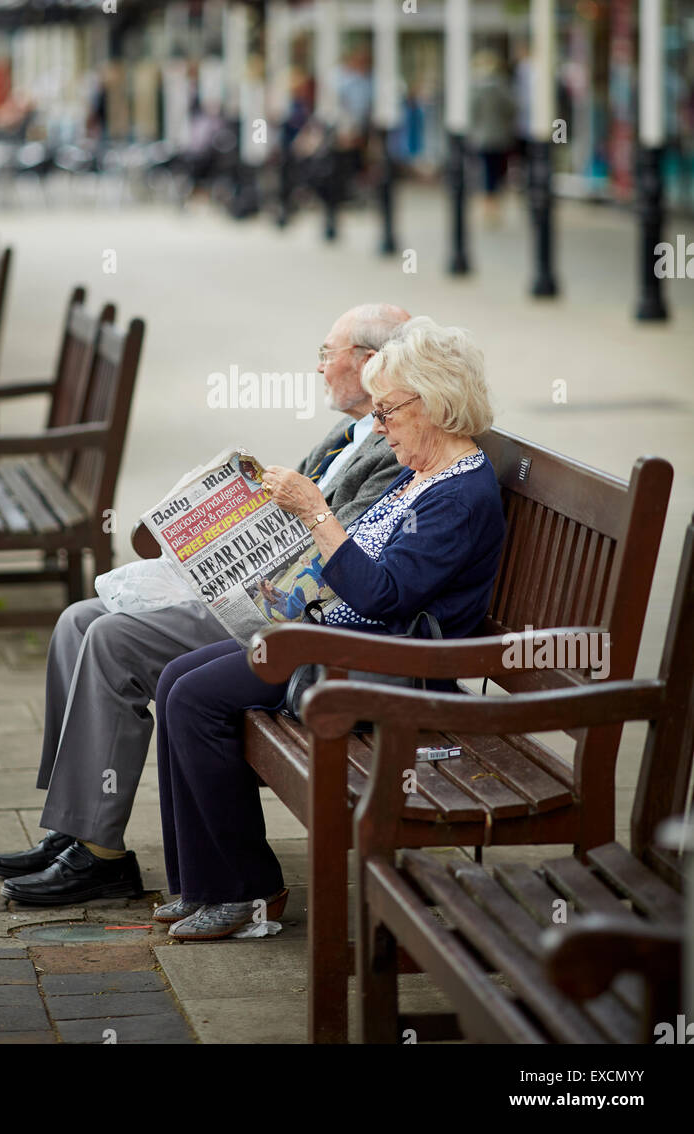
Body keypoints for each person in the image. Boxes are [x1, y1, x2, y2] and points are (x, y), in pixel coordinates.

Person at [0, 302, 411, 905]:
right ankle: (74, 827)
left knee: (111, 639)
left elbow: (331, 560)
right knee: (78, 620)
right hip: (249, 593)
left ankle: (99, 854)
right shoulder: (349, 433)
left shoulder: (392, 449)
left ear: (369, 363)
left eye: (327, 354)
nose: (319, 369)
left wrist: (269, 524)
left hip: (279, 616)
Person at [151, 316, 506, 939]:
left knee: (194, 700)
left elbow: (387, 594)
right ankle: (201, 881)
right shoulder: (424, 471)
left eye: (389, 409)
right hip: (338, 637)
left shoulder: (459, 494)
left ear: (434, 403)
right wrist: (273, 577)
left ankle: (248, 892)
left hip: (381, 663)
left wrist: (316, 510)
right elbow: (364, 571)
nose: (381, 423)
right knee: (177, 678)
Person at [469, 50, 516, 224]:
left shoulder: (475, 87)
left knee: (486, 170)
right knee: (498, 171)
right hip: (500, 136)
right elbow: (512, 107)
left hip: (481, 137)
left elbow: (471, 112)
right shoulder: (501, 85)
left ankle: (488, 206)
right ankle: (494, 205)